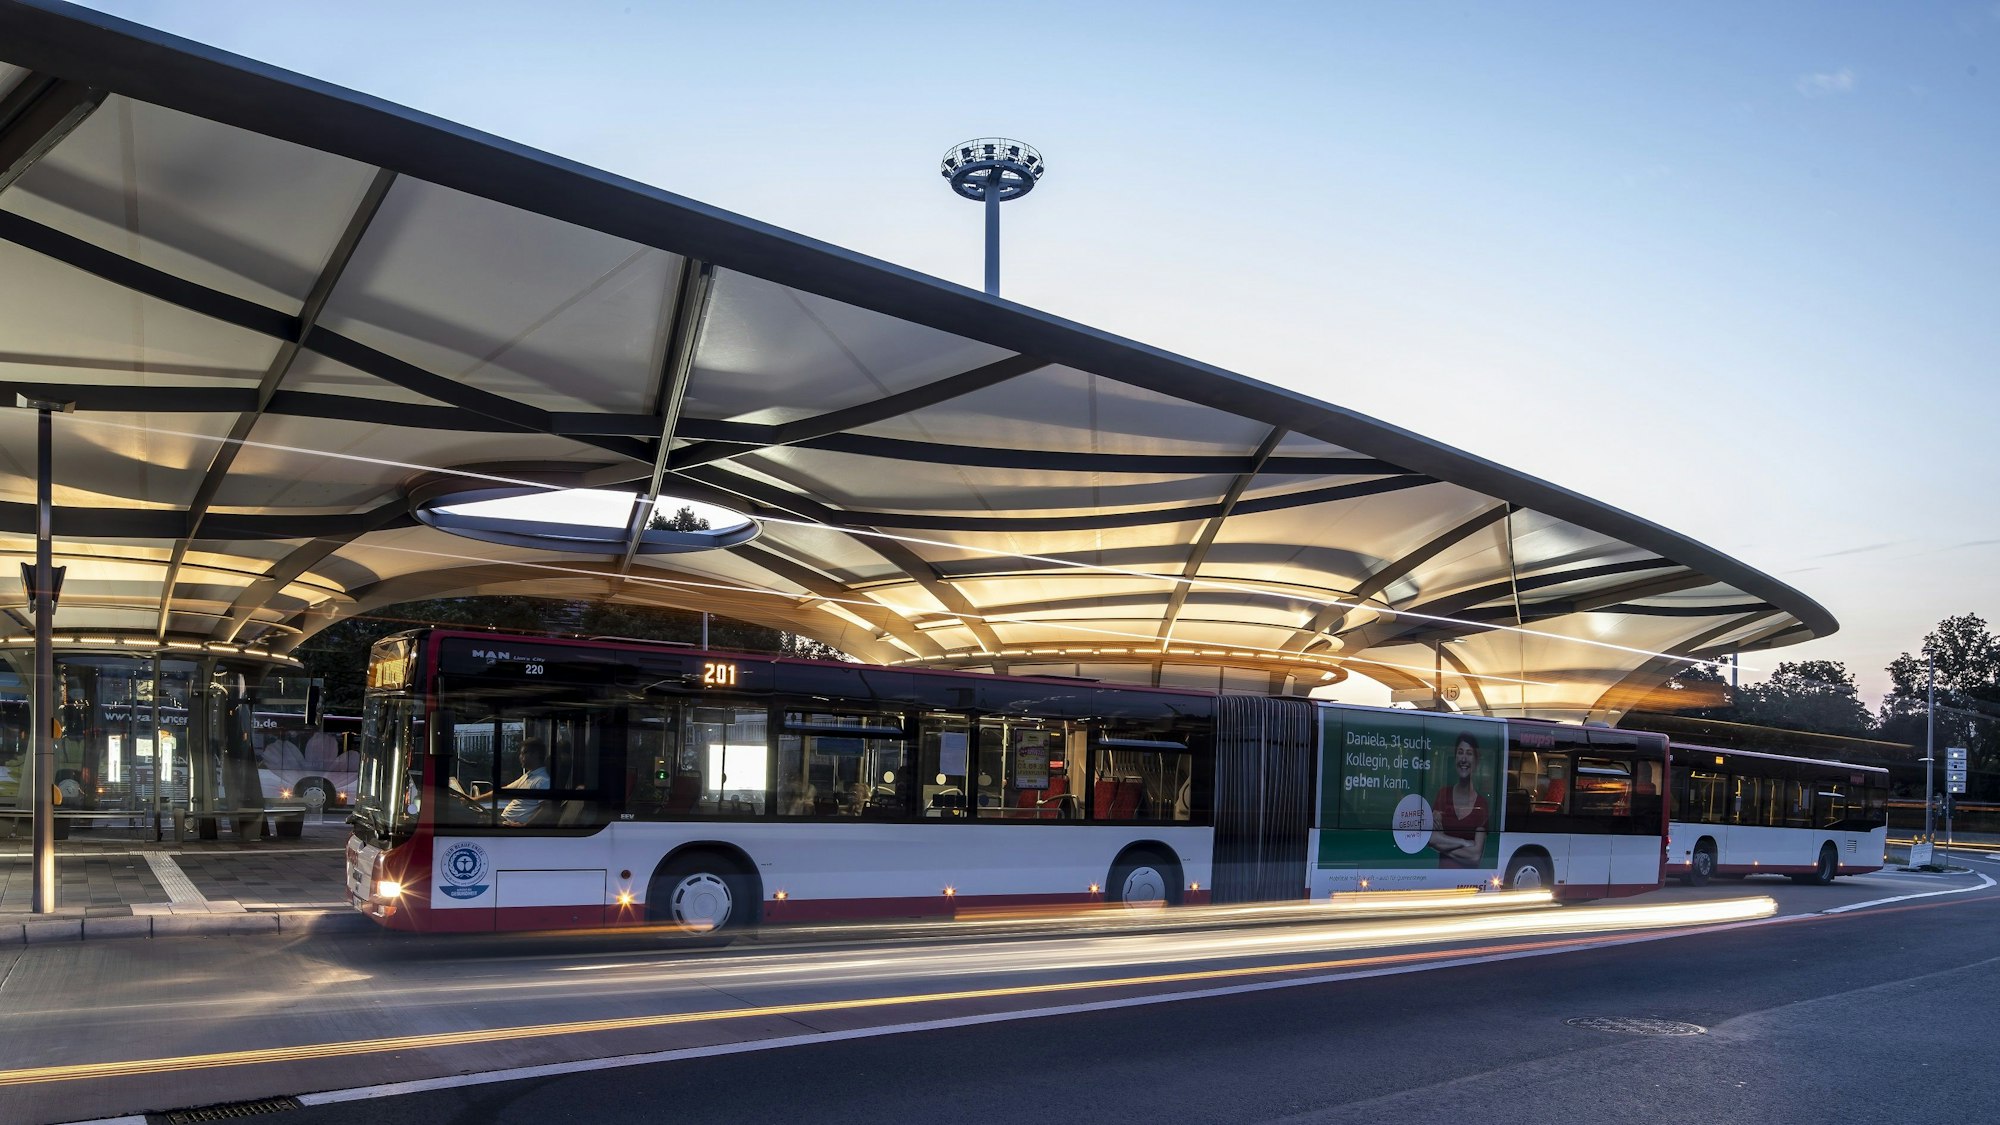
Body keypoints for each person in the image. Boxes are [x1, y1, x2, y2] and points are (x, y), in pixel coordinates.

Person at [1429, 733, 1488, 868]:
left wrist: (1443, 844)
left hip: (1467, 885)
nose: (1464, 758)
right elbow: (1431, 838)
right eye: (1460, 752)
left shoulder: (1482, 804)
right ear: (1455, 757)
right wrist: (1464, 842)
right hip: (1442, 881)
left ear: (1476, 761)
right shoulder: (1443, 794)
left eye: (1469, 753)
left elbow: (1475, 856)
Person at [472, 739, 551, 826]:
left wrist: (525, 827)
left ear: (535, 754)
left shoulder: (543, 781)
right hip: (503, 820)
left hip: (512, 827)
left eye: (523, 753)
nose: (520, 757)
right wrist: (473, 800)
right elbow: (502, 792)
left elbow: (547, 809)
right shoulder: (528, 776)